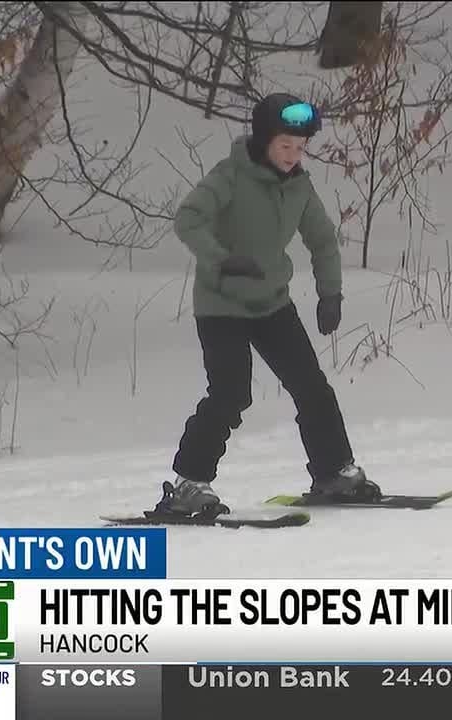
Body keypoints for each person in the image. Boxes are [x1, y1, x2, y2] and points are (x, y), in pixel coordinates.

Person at [159, 92, 380, 517]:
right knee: (229, 394)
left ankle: (334, 472)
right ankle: (188, 484)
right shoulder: (230, 176)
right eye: (285, 146)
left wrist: (329, 293)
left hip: (272, 304)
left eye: (300, 148)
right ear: (264, 141)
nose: (293, 155)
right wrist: (222, 260)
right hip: (221, 306)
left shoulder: (299, 186)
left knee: (312, 387)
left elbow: (322, 239)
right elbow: (188, 218)